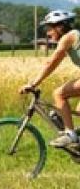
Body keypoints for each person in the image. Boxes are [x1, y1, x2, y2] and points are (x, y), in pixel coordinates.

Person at [20, 9, 80, 148]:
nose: (48, 33)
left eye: (50, 28)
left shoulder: (68, 37)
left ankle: (70, 135)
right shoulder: (74, 37)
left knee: (58, 93)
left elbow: (51, 64)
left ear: (60, 27)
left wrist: (33, 83)